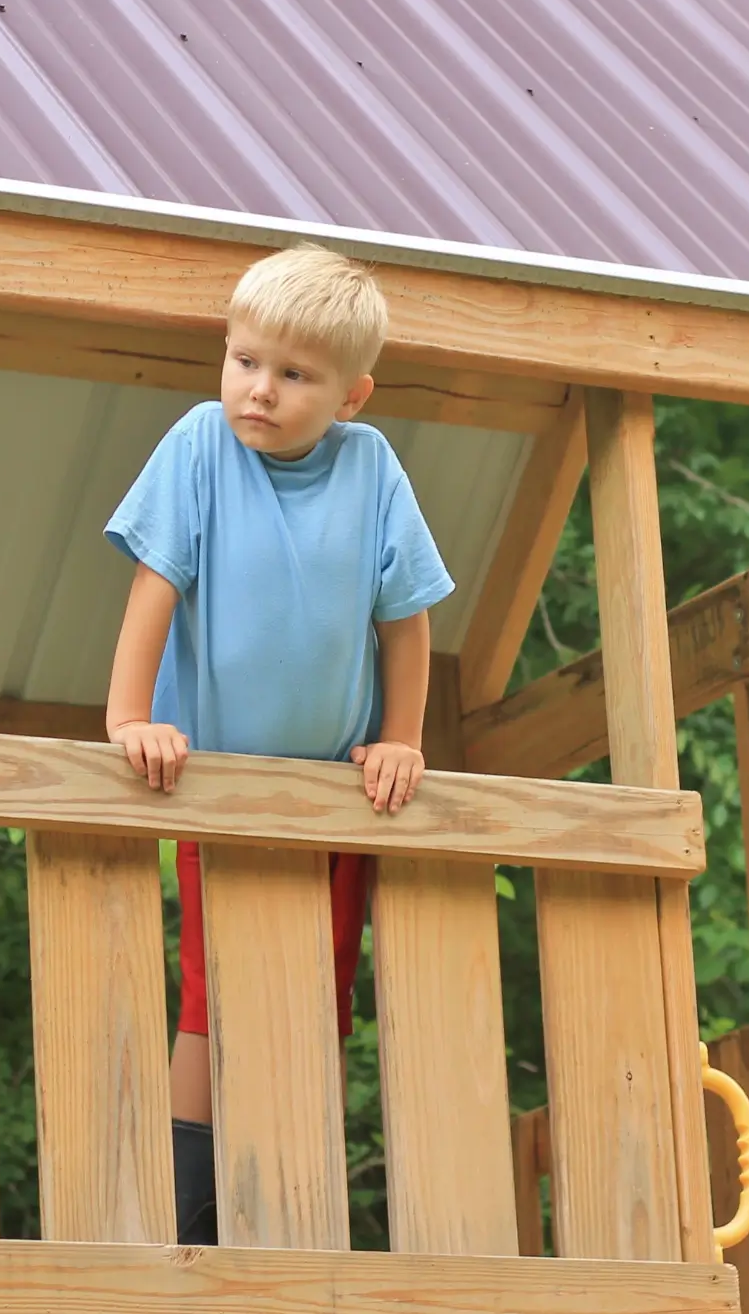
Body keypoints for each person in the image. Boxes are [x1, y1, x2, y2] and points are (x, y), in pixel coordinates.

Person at [102, 242, 454, 1245]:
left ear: (351, 394)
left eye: (293, 375)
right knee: (211, 1002)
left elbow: (408, 617)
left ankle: (289, 1208)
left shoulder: (371, 467)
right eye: (245, 359)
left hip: (333, 797)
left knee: (316, 1003)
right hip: (220, 786)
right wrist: (130, 719)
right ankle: (188, 1216)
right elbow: (156, 584)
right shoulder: (199, 445)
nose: (259, 390)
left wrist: (400, 740)